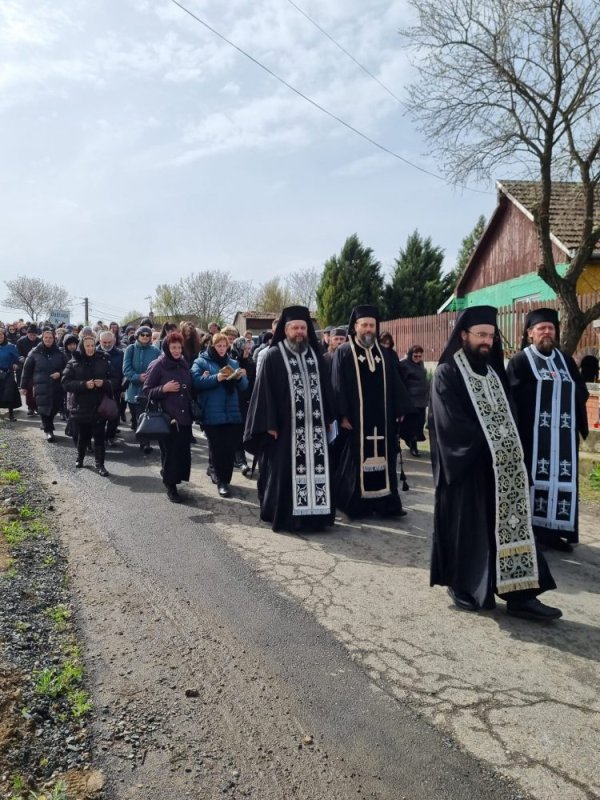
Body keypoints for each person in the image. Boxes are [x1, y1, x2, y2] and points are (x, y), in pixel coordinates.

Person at [429, 305, 561, 620]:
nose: (487, 341)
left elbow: (510, 415)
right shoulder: (448, 372)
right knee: (470, 531)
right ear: (464, 335)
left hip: (501, 469)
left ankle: (520, 594)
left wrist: (511, 450)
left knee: (513, 527)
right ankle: (463, 586)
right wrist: (489, 444)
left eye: (491, 335)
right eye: (481, 335)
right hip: (466, 469)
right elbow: (449, 423)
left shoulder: (493, 373)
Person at [244, 307, 336, 532]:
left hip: (314, 429)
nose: (300, 332)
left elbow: (326, 389)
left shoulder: (315, 355)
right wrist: (270, 423)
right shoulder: (274, 355)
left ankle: (316, 517)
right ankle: (287, 518)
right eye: (295, 328)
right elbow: (264, 393)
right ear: (285, 330)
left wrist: (328, 417)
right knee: (285, 473)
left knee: (317, 470)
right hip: (285, 430)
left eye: (303, 328)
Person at [507, 308, 589, 553]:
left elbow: (581, 391)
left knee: (561, 483)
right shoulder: (520, 361)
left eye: (550, 328)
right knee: (533, 484)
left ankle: (554, 533)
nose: (546, 332)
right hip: (532, 437)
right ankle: (530, 533)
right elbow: (512, 397)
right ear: (530, 333)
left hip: (563, 439)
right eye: (541, 328)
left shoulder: (565, 360)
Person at [331, 305, 410, 518]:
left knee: (385, 459)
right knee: (355, 461)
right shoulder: (344, 352)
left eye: (371, 325)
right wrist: (342, 414)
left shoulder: (384, 353)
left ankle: (386, 505)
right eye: (364, 325)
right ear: (355, 327)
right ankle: (356, 505)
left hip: (382, 419)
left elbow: (395, 383)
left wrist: (399, 408)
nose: (368, 329)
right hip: (356, 420)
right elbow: (337, 385)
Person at [192, 332, 249, 497]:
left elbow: (244, 386)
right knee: (217, 449)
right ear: (212, 346)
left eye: (224, 346)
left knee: (229, 449)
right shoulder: (201, 361)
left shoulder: (233, 362)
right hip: (212, 412)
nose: (222, 349)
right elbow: (195, 382)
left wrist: (240, 378)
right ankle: (221, 482)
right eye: (219, 346)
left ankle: (225, 479)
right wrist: (216, 378)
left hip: (232, 412)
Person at [144, 332, 194, 503]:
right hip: (167, 417)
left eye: (179, 347)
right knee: (170, 453)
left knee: (181, 453)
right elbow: (147, 390)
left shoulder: (184, 363)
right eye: (173, 347)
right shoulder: (158, 365)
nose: (177, 350)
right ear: (167, 348)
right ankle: (170, 486)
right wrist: (163, 389)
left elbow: (189, 386)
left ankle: (172, 477)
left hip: (184, 417)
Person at [62, 335, 112, 475]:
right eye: (87, 346)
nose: (90, 348)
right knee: (83, 435)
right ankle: (80, 458)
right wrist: (83, 385)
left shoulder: (103, 360)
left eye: (92, 345)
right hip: (81, 405)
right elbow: (65, 383)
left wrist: (104, 383)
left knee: (99, 436)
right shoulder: (74, 362)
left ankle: (100, 465)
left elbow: (115, 379)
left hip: (100, 405)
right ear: (82, 347)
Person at [20, 329, 66, 442]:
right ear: (42, 338)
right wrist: (23, 386)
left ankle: (47, 424)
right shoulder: (34, 352)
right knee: (43, 407)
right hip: (41, 386)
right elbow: (26, 370)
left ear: (54, 339)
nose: (48, 340)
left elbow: (67, 368)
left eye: (50, 338)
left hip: (56, 386)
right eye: (46, 337)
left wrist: (60, 374)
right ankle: (48, 430)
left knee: (54, 407)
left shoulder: (60, 352)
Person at [123, 326, 160, 451]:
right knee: (137, 417)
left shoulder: (155, 351)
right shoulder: (130, 349)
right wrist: (138, 377)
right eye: (142, 335)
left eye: (147, 335)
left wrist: (150, 378)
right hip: (134, 389)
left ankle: (145, 443)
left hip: (149, 389)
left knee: (146, 416)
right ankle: (142, 438)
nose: (145, 337)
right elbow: (126, 369)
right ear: (137, 336)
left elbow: (159, 367)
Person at [231, 336, 256, 476]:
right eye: (244, 349)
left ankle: (240, 460)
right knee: (235, 432)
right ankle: (241, 461)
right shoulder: (230, 363)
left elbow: (254, 384)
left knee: (243, 432)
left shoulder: (251, 364)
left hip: (245, 403)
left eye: (248, 349)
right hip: (232, 402)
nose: (247, 351)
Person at [398, 345, 429, 457]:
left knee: (420, 424)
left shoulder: (421, 364)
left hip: (422, 400)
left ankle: (411, 442)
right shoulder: (404, 364)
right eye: (415, 356)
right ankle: (413, 446)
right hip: (411, 401)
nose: (417, 358)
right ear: (411, 354)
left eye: (420, 356)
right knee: (412, 425)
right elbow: (400, 381)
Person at [97, 331, 124, 446]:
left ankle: (110, 436)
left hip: (115, 389)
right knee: (99, 415)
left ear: (113, 341)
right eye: (104, 342)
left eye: (109, 342)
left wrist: (123, 389)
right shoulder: (94, 352)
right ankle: (100, 437)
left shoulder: (120, 354)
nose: (107, 344)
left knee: (114, 414)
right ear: (100, 341)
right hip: (98, 389)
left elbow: (123, 372)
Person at [16, 324, 40, 416]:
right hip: (25, 367)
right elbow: (17, 354)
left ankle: (37, 406)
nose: (32, 336)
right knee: (28, 388)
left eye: (34, 335)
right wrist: (22, 359)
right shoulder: (21, 341)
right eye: (31, 335)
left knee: (38, 388)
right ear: (27, 334)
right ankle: (30, 407)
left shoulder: (40, 341)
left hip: (37, 367)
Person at [0, 328, 22, 420]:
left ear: (4, 335)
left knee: (9, 394)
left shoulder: (10, 346)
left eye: (1, 334)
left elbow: (18, 359)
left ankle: (11, 414)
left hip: (8, 373)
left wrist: (16, 364)